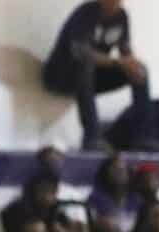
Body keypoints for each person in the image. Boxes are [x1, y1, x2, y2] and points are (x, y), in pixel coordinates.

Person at [43, 0, 151, 150]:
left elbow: (125, 52)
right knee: (85, 65)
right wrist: (119, 62)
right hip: (61, 76)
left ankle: (144, 138)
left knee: (140, 70)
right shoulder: (86, 13)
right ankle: (92, 137)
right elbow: (81, 53)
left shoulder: (122, 16)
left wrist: (132, 65)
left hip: (90, 78)